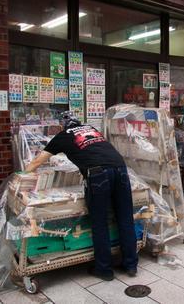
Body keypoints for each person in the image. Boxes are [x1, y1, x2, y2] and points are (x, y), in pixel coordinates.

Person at [26, 111, 138, 281]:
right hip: (121, 170)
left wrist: (20, 178)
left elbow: (36, 162)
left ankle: (104, 269)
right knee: (125, 219)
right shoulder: (91, 129)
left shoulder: (63, 136)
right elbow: (94, 151)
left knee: (100, 223)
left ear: (63, 125)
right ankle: (130, 265)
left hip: (98, 175)